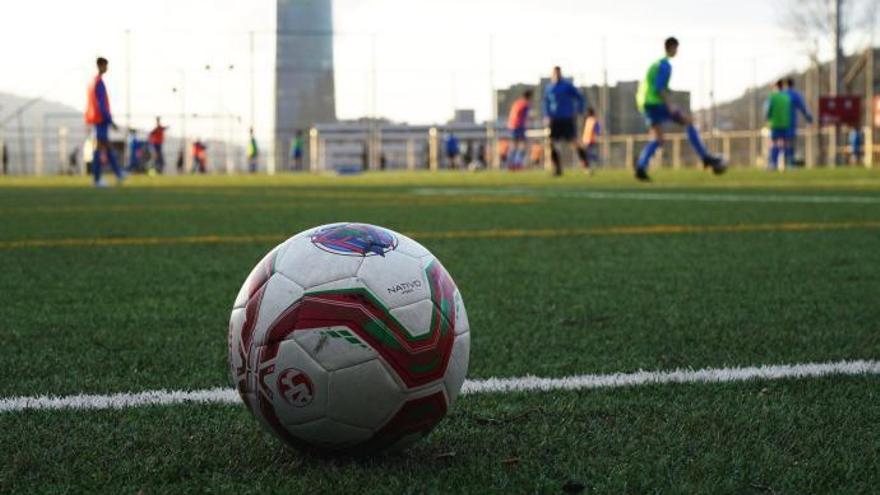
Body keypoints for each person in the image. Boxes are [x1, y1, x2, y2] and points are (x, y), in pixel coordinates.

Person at [635, 37, 725, 181]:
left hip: (645, 104)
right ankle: (705, 157)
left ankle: (641, 166)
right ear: (672, 47)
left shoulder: (655, 64)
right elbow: (659, 88)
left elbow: (653, 86)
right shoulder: (665, 65)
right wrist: (669, 105)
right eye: (676, 48)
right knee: (688, 121)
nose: (677, 51)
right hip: (656, 103)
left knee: (658, 139)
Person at [84, 57, 125, 186]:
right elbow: (101, 104)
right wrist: (109, 120)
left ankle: (118, 173)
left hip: (97, 119)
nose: (107, 68)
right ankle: (97, 179)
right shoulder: (98, 82)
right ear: (101, 65)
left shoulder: (93, 82)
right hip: (100, 120)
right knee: (100, 148)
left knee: (106, 146)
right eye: (106, 65)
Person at [543, 66, 587, 176]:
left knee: (574, 142)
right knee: (551, 143)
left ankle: (585, 164)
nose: (556, 75)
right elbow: (546, 102)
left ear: (560, 74)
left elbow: (579, 97)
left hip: (567, 118)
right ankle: (557, 168)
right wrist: (547, 115)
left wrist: (579, 110)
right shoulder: (549, 88)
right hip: (554, 120)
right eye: (554, 73)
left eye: (558, 73)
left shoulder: (567, 86)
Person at [784, 78, 813, 168]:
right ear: (793, 84)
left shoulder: (781, 94)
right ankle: (790, 163)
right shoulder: (795, 95)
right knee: (791, 143)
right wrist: (808, 117)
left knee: (782, 143)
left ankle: (782, 163)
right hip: (791, 123)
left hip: (779, 123)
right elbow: (802, 107)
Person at [765, 79, 792, 171]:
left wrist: (767, 119)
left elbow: (767, 110)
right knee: (786, 144)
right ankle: (789, 164)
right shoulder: (786, 97)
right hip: (785, 123)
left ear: (776, 87)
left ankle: (774, 164)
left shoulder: (772, 97)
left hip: (775, 123)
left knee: (774, 144)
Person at [507, 89, 532, 170]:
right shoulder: (525, 104)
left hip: (512, 126)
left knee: (514, 145)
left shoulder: (517, 103)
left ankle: (512, 164)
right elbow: (524, 116)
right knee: (522, 146)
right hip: (519, 126)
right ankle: (517, 164)